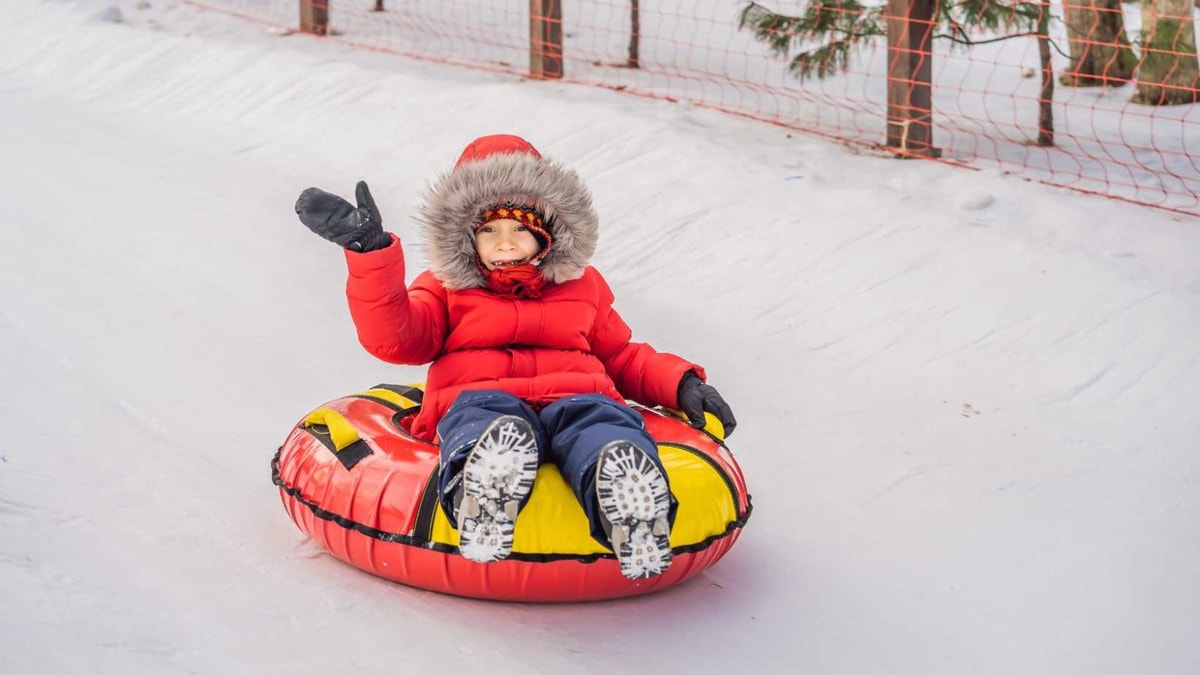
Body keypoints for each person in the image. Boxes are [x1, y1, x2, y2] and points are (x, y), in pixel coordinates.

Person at [295, 134, 736, 580]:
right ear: (465, 236)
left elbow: (620, 355)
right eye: (489, 230)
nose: (504, 243)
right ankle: (485, 491)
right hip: (481, 397)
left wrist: (681, 383)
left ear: (547, 229)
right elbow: (397, 338)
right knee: (488, 420)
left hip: (577, 395)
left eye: (519, 228)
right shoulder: (446, 287)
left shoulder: (582, 285)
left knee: (601, 424)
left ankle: (627, 502)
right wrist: (372, 256)